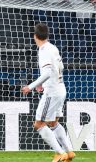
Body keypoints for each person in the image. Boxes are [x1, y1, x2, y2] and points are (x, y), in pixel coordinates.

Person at [21, 23, 75, 162]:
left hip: (52, 92)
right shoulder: (53, 47)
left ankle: (60, 152)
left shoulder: (44, 50)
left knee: (38, 124)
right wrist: (43, 84)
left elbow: (46, 72)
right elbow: (60, 67)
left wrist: (31, 86)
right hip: (60, 88)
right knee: (53, 123)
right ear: (47, 35)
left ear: (35, 36)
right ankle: (69, 152)